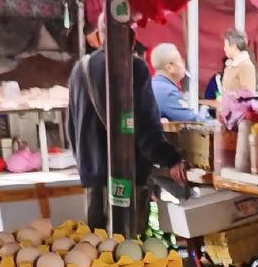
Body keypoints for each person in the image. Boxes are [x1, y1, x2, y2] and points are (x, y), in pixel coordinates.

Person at [68, 22, 184, 228]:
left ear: (100, 36)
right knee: (127, 249)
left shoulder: (80, 68)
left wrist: (87, 169)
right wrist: (171, 159)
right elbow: (146, 125)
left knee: (98, 250)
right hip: (125, 177)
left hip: (92, 180)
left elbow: (71, 128)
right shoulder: (133, 67)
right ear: (131, 37)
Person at [149, 42, 203, 123]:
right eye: (181, 61)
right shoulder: (166, 92)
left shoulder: (152, 85)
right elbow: (190, 119)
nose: (183, 65)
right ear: (170, 68)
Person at [221, 29, 256, 96]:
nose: (224, 48)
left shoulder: (245, 65)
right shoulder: (230, 65)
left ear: (234, 46)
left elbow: (248, 95)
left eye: (226, 45)